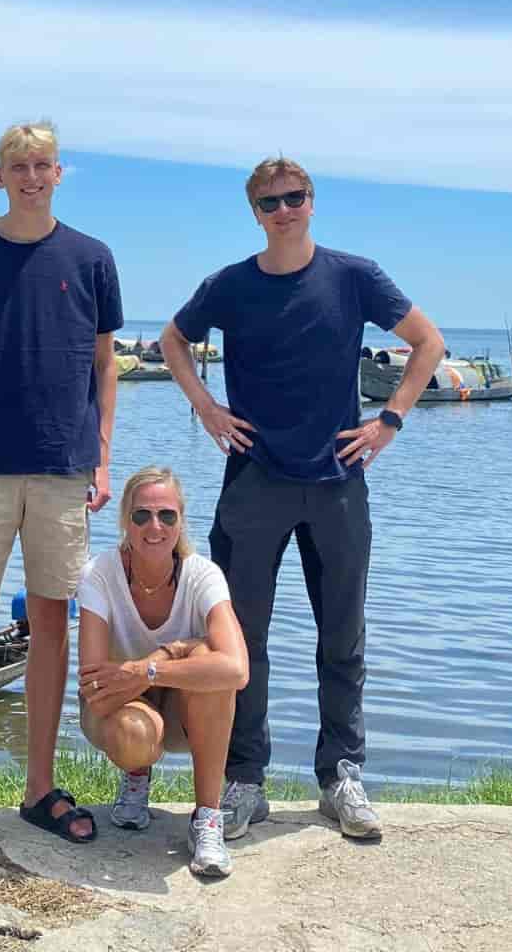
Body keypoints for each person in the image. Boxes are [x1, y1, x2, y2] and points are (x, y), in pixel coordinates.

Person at [160, 156, 445, 844]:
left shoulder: (353, 277)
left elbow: (427, 344)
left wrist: (390, 421)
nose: (283, 210)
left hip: (338, 484)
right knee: (241, 639)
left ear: (312, 203)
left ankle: (340, 775)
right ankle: (245, 781)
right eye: (269, 202)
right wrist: (205, 406)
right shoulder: (230, 285)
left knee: (341, 634)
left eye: (293, 198)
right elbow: (173, 338)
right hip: (254, 481)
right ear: (254, 213)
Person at [0, 120, 123, 858]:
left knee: (53, 627)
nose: (31, 176)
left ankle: (38, 785)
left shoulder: (92, 257)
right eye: (18, 166)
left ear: (59, 173)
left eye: (42, 165)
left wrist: (103, 458)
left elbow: (105, 366)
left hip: (63, 467)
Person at [76, 465, 248, 879]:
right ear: (125, 521)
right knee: (138, 732)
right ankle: (135, 779)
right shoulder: (99, 573)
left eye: (166, 515)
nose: (155, 526)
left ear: (181, 520)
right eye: (142, 516)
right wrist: (180, 658)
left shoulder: (203, 575)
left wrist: (153, 666)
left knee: (215, 671)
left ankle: (207, 818)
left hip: (180, 711)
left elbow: (236, 669)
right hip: (117, 711)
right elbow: (94, 685)